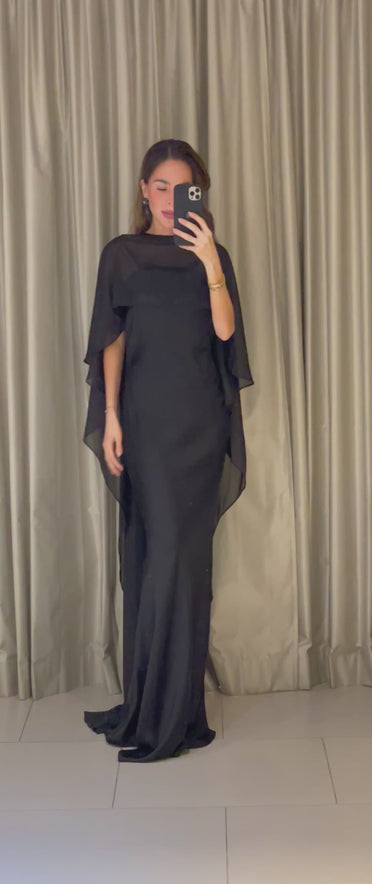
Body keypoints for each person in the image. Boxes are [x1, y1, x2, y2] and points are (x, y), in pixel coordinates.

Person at [81, 139, 254, 763]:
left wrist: (209, 261)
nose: (168, 199)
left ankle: (176, 715)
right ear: (143, 190)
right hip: (145, 426)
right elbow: (113, 339)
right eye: (160, 186)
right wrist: (110, 415)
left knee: (186, 567)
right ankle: (149, 706)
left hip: (199, 427)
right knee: (153, 565)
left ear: (197, 194)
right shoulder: (121, 255)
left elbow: (226, 332)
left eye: (182, 189)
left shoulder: (213, 254)